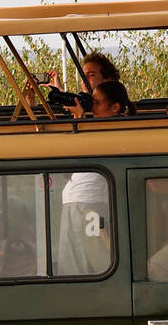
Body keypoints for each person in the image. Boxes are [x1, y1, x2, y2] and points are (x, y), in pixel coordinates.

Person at [54, 81, 132, 275]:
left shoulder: (117, 129)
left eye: (97, 103)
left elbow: (80, 150)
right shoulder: (101, 127)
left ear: (115, 107)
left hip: (88, 204)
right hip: (79, 203)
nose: (93, 108)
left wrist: (79, 117)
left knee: (93, 265)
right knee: (75, 262)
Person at [46, 51, 120, 113]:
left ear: (108, 80)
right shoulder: (85, 103)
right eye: (83, 76)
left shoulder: (110, 108)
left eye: (91, 75)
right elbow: (73, 101)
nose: (84, 80)